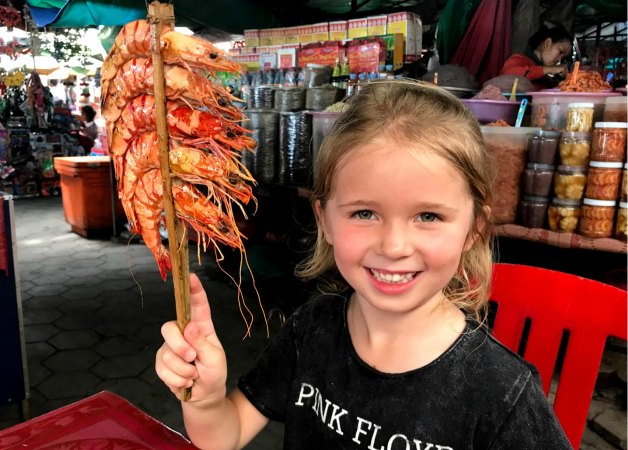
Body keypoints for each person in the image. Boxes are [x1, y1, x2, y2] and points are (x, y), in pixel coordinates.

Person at [155, 81, 572, 449]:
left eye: (428, 216)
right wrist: (207, 399)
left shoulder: (502, 393)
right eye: (364, 214)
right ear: (325, 221)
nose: (393, 246)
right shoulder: (312, 329)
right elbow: (224, 435)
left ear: (473, 230)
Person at [500, 25, 572, 90]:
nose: (559, 59)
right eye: (560, 51)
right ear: (547, 43)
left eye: (563, 57)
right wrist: (550, 69)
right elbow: (507, 76)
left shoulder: (546, 78)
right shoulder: (519, 59)